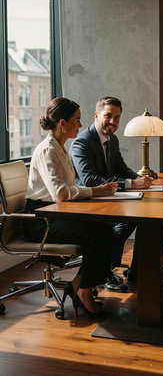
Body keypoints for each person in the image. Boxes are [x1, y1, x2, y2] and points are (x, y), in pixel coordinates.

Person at [24, 97, 118, 317]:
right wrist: (96, 191)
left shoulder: (61, 148)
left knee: (105, 229)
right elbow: (60, 193)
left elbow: (67, 189)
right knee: (100, 235)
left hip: (54, 214)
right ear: (63, 123)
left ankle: (78, 286)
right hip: (40, 221)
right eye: (76, 120)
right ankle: (84, 293)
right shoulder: (48, 150)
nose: (80, 124)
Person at [69, 96, 152, 286]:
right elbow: (90, 180)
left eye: (117, 118)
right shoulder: (82, 142)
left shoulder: (111, 139)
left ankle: (134, 272)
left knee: (139, 217)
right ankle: (105, 270)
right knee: (125, 222)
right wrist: (132, 184)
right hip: (87, 203)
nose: (113, 122)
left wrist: (141, 180)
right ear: (97, 115)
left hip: (107, 199)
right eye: (108, 116)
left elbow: (122, 169)